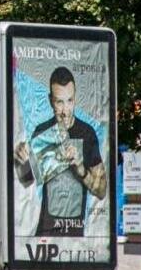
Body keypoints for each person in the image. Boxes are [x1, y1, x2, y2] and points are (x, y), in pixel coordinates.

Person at [14, 67, 105, 237]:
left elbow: (101, 190)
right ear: (51, 101)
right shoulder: (42, 132)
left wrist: (81, 171)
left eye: (69, 101)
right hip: (45, 232)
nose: (65, 110)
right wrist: (20, 161)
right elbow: (27, 182)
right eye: (59, 102)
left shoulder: (87, 133)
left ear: (75, 98)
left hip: (75, 234)